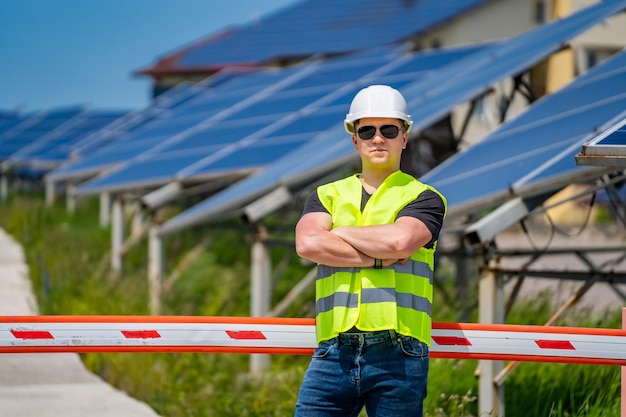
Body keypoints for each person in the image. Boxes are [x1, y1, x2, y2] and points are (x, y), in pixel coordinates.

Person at [293, 84, 447, 417]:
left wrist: (340, 232)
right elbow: (307, 243)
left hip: (400, 352)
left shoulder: (425, 198)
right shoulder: (326, 194)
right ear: (355, 140)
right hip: (333, 351)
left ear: (404, 137)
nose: (378, 138)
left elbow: (400, 243)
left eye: (389, 129)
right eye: (367, 130)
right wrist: (379, 257)